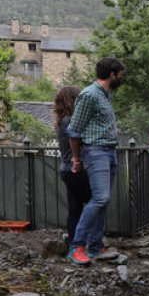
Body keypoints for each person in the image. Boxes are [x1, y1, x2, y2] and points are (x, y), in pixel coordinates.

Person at [66, 57, 125, 266]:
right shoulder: (89, 95)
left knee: (103, 201)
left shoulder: (105, 95)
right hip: (96, 151)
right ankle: (76, 247)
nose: (121, 78)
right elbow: (73, 130)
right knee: (100, 198)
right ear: (112, 74)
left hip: (109, 151)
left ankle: (96, 247)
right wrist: (76, 158)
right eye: (120, 74)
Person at [54, 86, 91, 244]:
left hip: (66, 169)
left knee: (74, 207)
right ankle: (86, 240)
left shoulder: (62, 121)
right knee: (93, 204)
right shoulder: (71, 122)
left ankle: (74, 241)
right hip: (77, 168)